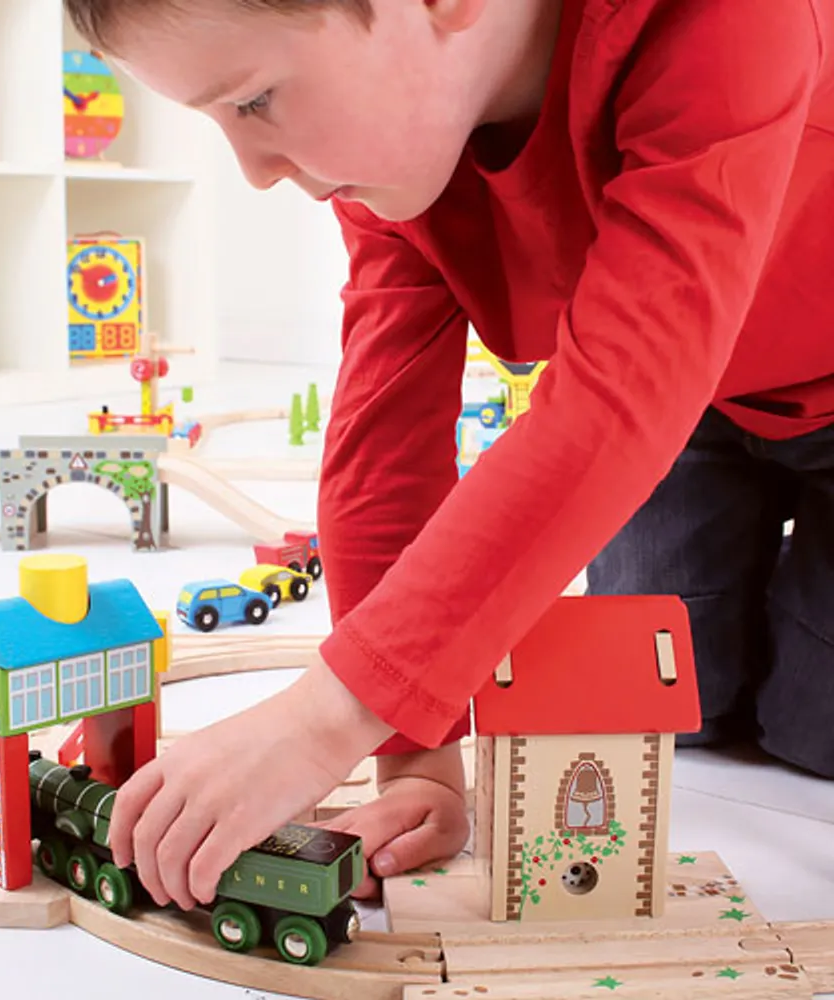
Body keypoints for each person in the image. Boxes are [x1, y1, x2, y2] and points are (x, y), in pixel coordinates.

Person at [63, 0, 834, 912]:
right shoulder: (400, 161)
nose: (256, 173)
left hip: (740, 385)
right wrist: (413, 757)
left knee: (809, 729)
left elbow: (618, 400)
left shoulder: (732, 20)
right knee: (677, 709)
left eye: (257, 100)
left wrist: (324, 719)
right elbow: (384, 436)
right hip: (697, 409)